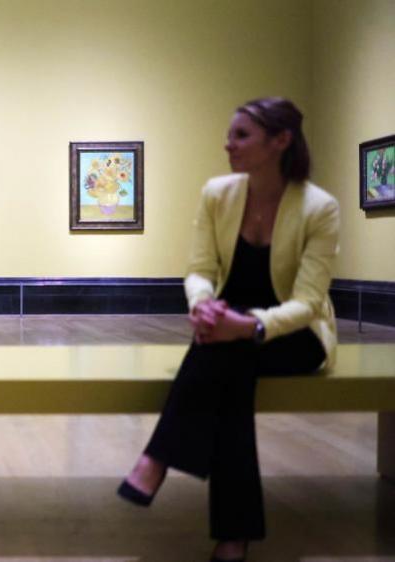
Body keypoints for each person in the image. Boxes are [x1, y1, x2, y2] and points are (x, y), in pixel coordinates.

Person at [117, 97, 339, 562]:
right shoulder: (219, 193)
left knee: (225, 358)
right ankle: (233, 537)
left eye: (241, 135)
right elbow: (199, 269)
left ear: (280, 141)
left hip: (292, 336)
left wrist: (251, 326)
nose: (228, 144)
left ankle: (157, 458)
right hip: (225, 329)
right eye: (230, 134)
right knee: (229, 376)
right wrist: (202, 306)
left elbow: (308, 302)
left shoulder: (319, 208)